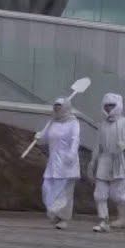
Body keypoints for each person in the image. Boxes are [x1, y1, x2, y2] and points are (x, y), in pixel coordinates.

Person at [88, 93, 125, 233]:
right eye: (106, 105)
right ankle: (103, 220)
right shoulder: (102, 125)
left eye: (112, 105)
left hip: (118, 160)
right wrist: (93, 161)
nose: (108, 108)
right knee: (99, 194)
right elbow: (98, 145)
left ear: (117, 106)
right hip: (104, 160)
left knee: (117, 194)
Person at [36, 97, 80, 229]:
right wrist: (38, 137)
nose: (56, 108)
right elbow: (44, 138)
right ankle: (54, 213)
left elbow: (75, 138)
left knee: (65, 191)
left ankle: (63, 218)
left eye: (59, 106)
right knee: (47, 187)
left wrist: (72, 153)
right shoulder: (52, 122)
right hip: (53, 161)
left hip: (67, 161)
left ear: (65, 108)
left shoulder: (73, 122)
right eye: (55, 106)